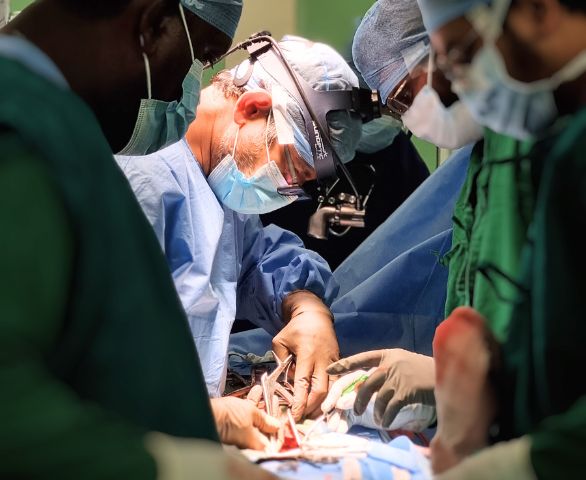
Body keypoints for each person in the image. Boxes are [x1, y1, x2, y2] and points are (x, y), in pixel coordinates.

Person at [0, 0, 278, 478]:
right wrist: (169, 466)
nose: (190, 91)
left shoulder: (59, 129)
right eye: (203, 57)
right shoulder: (20, 132)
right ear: (153, 25)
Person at [115, 35, 366, 420]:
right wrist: (209, 419)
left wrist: (306, 307)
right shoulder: (142, 178)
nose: (285, 191)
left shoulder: (214, 182)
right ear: (251, 107)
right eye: (287, 167)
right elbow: (99, 359)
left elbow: (252, 261)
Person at [414, 0, 586, 478]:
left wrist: (528, 463)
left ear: (538, 10)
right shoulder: (560, 148)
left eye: (461, 56)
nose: (446, 90)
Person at [317, 0, 480, 434]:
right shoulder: (487, 164)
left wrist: (460, 384)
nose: (409, 116)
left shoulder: (545, 155)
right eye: (396, 107)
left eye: (407, 95)